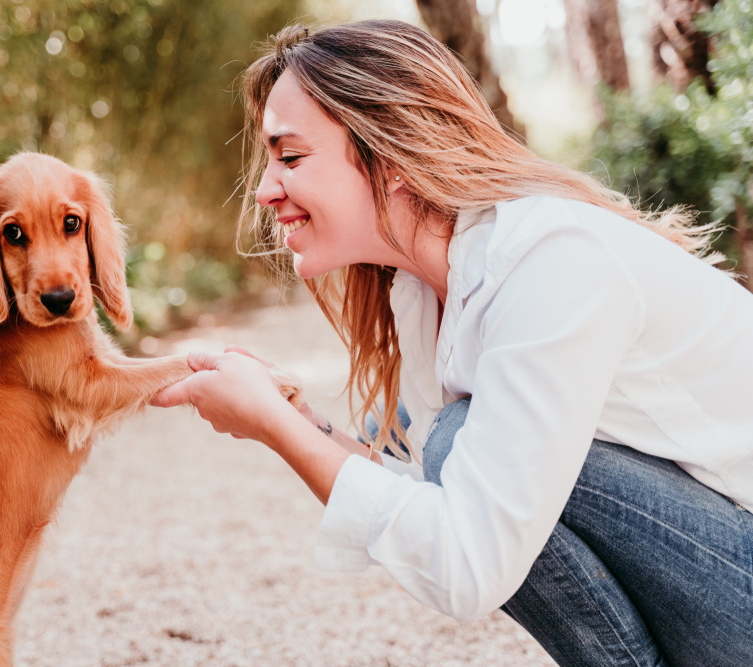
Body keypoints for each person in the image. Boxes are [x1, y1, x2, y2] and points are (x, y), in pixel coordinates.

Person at [152, 20, 753, 666]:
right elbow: (423, 500)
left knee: (459, 438)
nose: (266, 189)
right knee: (457, 446)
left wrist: (274, 425)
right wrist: (298, 417)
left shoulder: (550, 261)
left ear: (393, 156)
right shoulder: (421, 293)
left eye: (290, 157)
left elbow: (470, 564)